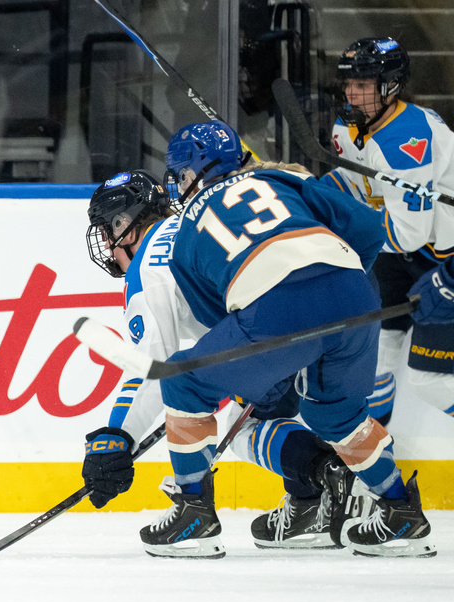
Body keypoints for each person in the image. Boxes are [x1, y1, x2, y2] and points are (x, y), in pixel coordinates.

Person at [151, 120, 434, 558]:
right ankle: (401, 512)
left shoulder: (185, 231)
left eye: (184, 175)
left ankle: (193, 515)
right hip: (356, 292)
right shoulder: (280, 178)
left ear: (197, 172)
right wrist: (335, 284)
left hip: (277, 309)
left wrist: (274, 359)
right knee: (336, 415)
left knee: (184, 384)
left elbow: (219, 315)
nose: (182, 186)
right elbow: (369, 229)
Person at [81, 170, 358, 555]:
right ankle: (313, 499)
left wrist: (116, 436)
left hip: (271, 321)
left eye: (108, 232)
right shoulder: (196, 219)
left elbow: (150, 369)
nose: (109, 246)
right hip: (338, 296)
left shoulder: (148, 265)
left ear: (124, 225)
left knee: (212, 410)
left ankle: (195, 514)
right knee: (259, 415)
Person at [322, 37, 454, 423]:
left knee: (428, 380)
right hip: (401, 256)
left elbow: (408, 233)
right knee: (373, 360)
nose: (352, 94)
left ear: (390, 86)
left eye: (363, 85)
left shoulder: (404, 142)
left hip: (443, 260)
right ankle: (372, 461)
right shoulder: (348, 127)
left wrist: (343, 222)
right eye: (348, 84)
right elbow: (354, 184)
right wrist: (303, 192)